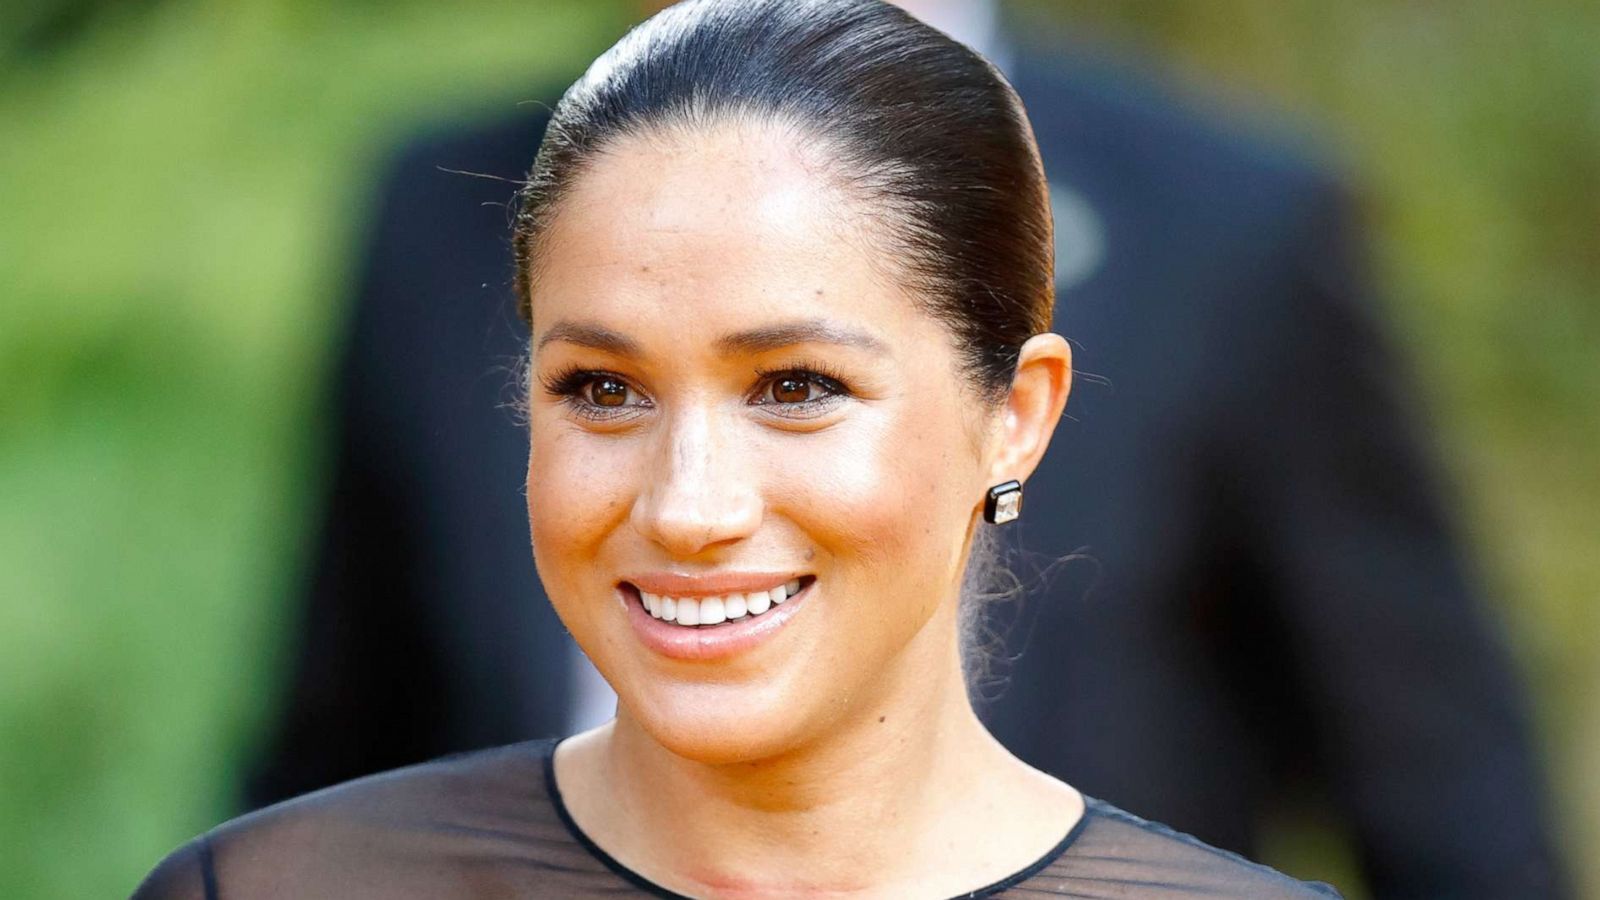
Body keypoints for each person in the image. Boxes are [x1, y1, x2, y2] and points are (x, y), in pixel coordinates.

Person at [242, 2, 1568, 897]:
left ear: (1024, 412)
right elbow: (343, 720)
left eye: (802, 385)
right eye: (597, 387)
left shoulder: (1227, 221)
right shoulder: (436, 199)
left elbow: (1447, 784)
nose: (692, 505)